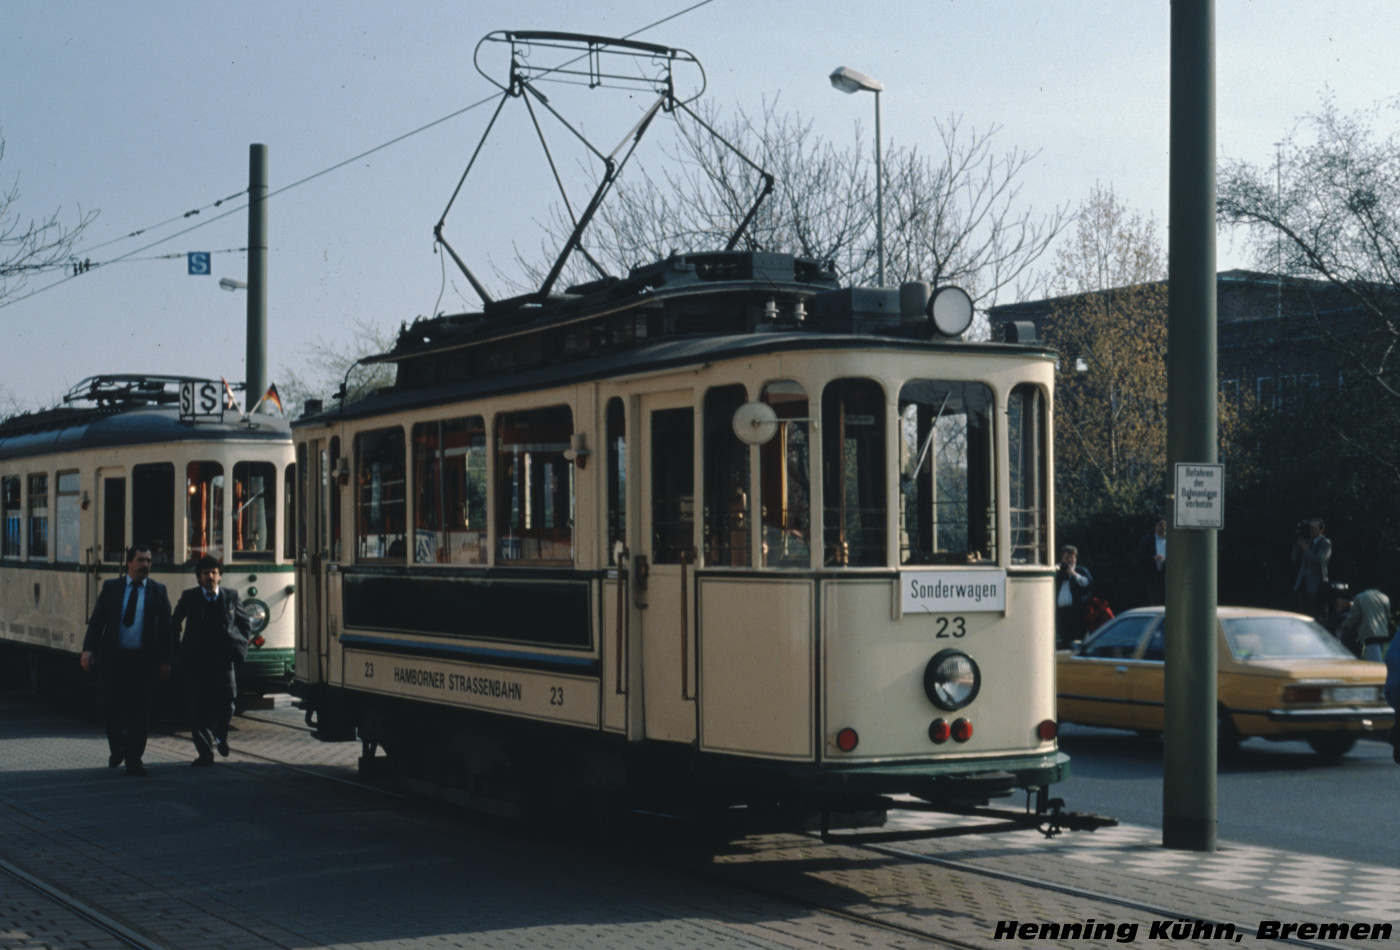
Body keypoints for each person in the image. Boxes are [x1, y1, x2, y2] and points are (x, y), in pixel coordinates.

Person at [80, 545, 174, 777]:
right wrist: (88, 650)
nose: (145, 565)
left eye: (149, 561)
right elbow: (97, 620)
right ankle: (119, 746)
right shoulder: (112, 588)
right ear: (129, 562)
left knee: (139, 712)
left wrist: (166, 660)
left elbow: (167, 629)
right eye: (141, 560)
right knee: (106, 705)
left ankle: (134, 759)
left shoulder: (158, 591)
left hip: (143, 660)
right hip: (114, 658)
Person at [171, 555, 250, 766]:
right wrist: (178, 648)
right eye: (206, 573)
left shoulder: (231, 596)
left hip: (223, 659)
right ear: (199, 578)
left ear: (220, 576)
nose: (210, 577)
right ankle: (205, 755)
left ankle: (220, 734)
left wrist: (242, 643)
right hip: (196, 661)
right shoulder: (189, 597)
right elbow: (174, 622)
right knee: (197, 710)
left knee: (228, 702)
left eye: (214, 573)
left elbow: (244, 623)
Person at [1336, 587, 1391, 662]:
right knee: (1375, 658)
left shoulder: (1360, 597)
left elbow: (1354, 617)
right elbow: (1387, 616)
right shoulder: (1384, 597)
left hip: (1371, 634)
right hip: (1384, 634)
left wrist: (1344, 625)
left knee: (1375, 662)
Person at [1291, 518, 1331, 620]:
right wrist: (1298, 544)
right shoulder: (1307, 541)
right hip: (1302, 584)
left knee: (1317, 615)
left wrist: (1306, 549)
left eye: (1314, 528)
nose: (1311, 530)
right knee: (1303, 615)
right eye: (1310, 528)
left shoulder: (1325, 543)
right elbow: (1295, 560)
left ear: (1321, 530)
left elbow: (1320, 560)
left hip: (1316, 585)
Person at [1054, 545, 1094, 648]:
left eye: (1072, 557)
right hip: (1063, 613)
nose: (1069, 560)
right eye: (1067, 557)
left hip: (1078, 613)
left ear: (1075, 558)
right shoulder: (1058, 572)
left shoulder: (1081, 571)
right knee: (1065, 640)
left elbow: (1088, 584)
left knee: (1078, 640)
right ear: (1062, 559)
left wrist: (1074, 574)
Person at [1136, 515, 1167, 606]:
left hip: (1167, 576)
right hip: (1153, 576)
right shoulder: (1148, 540)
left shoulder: (1171, 540)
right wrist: (1153, 558)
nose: (1163, 527)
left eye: (1164, 525)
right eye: (1160, 525)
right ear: (1155, 526)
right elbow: (1140, 556)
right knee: (1154, 602)